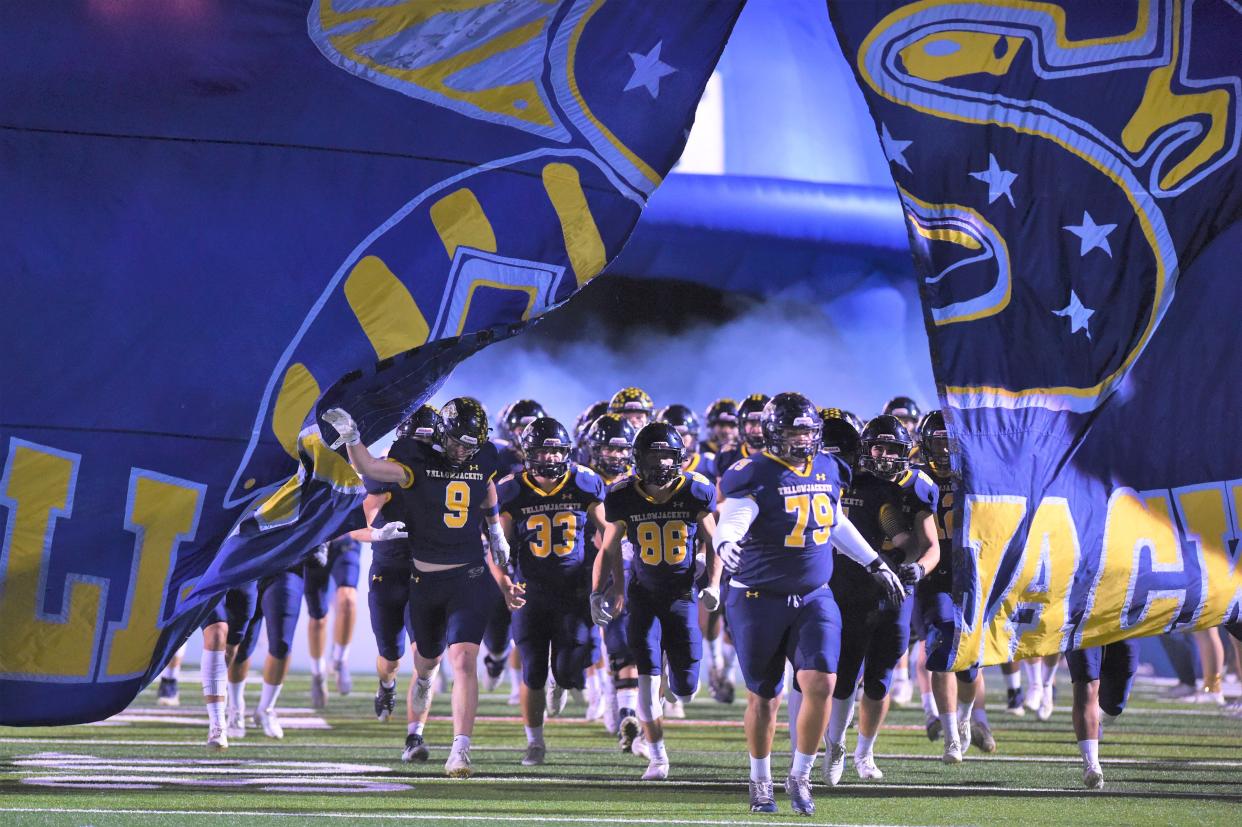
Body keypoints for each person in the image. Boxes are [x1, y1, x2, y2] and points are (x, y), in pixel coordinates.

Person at [714, 393, 904, 815]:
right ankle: (760, 779)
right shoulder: (752, 472)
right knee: (765, 697)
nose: (802, 440)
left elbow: (832, 518)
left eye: (807, 431)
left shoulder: (829, 467)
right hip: (758, 596)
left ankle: (800, 774)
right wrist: (725, 540)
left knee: (822, 683)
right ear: (772, 434)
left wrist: (874, 560)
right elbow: (734, 516)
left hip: (816, 594)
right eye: (793, 431)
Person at [324, 397, 509, 778]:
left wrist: (494, 531)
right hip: (414, 577)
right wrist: (352, 438)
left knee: (461, 661)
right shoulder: (412, 460)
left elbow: (488, 485)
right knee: (416, 665)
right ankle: (389, 686)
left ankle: (457, 748)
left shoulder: (483, 456)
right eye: (457, 442)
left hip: (468, 575)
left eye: (470, 444)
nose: (463, 451)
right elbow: (369, 469)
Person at [593, 421, 721, 780]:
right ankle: (658, 757)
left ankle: (673, 678)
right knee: (646, 679)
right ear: (639, 458)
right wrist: (608, 589)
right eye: (655, 455)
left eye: (668, 455)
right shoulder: (622, 494)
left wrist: (714, 584)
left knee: (686, 688)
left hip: (681, 595)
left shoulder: (696, 490)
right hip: (644, 596)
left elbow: (714, 541)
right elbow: (610, 547)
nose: (662, 463)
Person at [822, 414, 940, 782]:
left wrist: (916, 568)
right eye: (879, 447)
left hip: (894, 591)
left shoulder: (917, 486)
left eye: (893, 448)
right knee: (844, 675)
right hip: (850, 585)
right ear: (864, 449)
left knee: (879, 678)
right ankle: (835, 746)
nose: (885, 455)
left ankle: (865, 752)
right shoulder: (853, 480)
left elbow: (926, 545)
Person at [491, 417, 608, 766]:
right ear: (529, 452)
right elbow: (497, 546)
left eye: (556, 452)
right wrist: (504, 583)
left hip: (573, 590)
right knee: (532, 669)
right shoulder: (512, 489)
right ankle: (535, 742)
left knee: (571, 668)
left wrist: (605, 579)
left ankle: (564, 681)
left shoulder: (585, 483)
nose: (551, 459)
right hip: (531, 590)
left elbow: (609, 534)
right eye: (544, 451)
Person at [584, 413, 642, 746]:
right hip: (584, 568)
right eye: (609, 448)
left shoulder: (638, 480)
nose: (616, 456)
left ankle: (625, 712)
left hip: (629, 567)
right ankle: (601, 690)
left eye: (623, 449)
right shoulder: (583, 479)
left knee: (623, 642)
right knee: (589, 642)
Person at [1067, 639, 1140, 789]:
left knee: (1114, 704)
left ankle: (1098, 716)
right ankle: (1091, 764)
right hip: (1083, 618)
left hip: (1120, 619)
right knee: (1085, 682)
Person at [303, 536, 361, 708]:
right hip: (315, 542)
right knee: (318, 619)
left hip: (346, 541)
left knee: (348, 600)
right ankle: (318, 673)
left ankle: (339, 659)